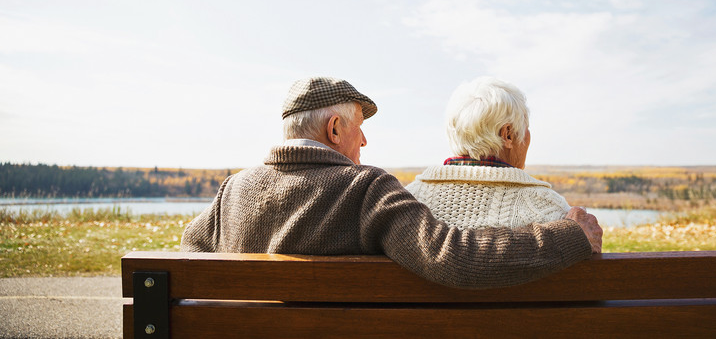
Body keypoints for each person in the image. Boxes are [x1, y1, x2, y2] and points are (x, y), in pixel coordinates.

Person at [181, 76, 602, 289]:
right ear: (333, 129)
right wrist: (567, 237)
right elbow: (453, 257)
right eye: (358, 127)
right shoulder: (364, 189)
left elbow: (191, 252)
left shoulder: (232, 191)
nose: (364, 140)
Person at [407, 77, 572, 229]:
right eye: (526, 127)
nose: (528, 135)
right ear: (507, 134)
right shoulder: (551, 210)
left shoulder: (409, 200)